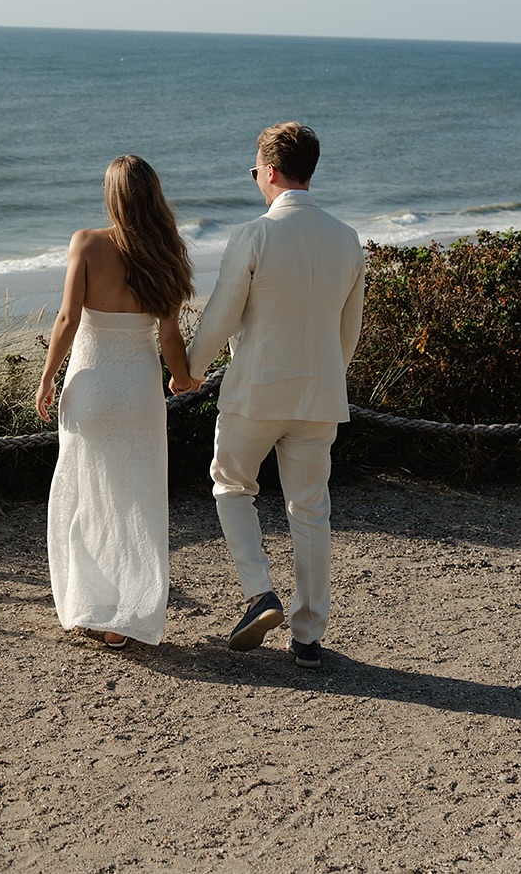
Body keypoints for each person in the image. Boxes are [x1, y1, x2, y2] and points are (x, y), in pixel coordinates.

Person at [178, 121, 365, 668]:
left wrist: (188, 371)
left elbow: (219, 317)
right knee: (311, 512)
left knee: (231, 486)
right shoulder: (346, 237)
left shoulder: (254, 234)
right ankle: (308, 636)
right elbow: (347, 333)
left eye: (255, 168)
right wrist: (324, 375)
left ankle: (258, 593)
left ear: (272, 171)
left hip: (256, 391)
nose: (255, 176)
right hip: (319, 395)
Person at [36, 155, 200, 649]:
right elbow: (170, 337)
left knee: (86, 497)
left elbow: (66, 321)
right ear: (152, 195)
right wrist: (185, 379)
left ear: (112, 196)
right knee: (137, 503)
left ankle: (89, 603)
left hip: (89, 386)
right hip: (138, 391)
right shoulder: (167, 251)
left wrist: (46, 379)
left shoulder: (86, 243)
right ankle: (123, 618)